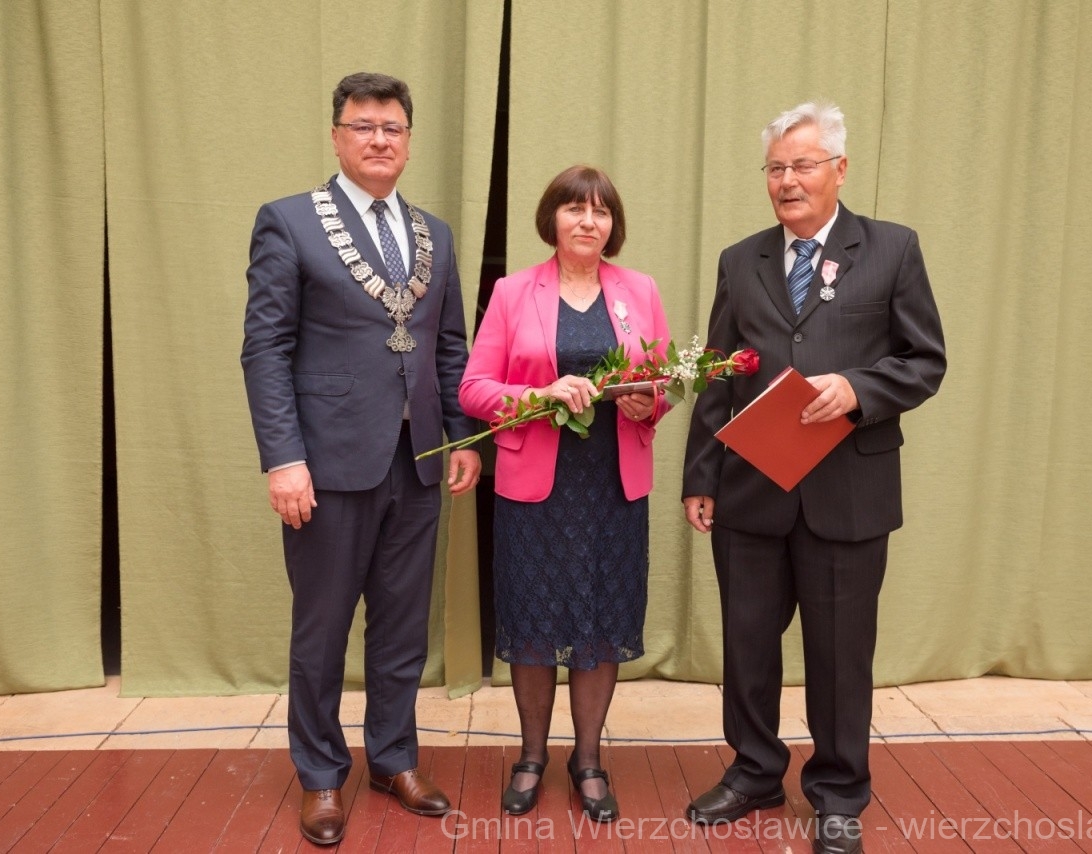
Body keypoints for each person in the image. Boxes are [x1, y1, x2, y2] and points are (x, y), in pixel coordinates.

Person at [681, 102, 945, 854]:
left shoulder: (893, 249)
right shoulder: (741, 260)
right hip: (750, 489)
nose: (787, 181)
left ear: (840, 169)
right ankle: (754, 772)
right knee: (748, 645)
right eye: (776, 168)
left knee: (840, 656)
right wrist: (701, 476)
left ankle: (837, 794)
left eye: (802, 165)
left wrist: (859, 389)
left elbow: (925, 360)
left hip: (848, 495)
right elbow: (720, 374)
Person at [241, 72, 481, 845]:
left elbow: (449, 346)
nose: (379, 139)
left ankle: (393, 758)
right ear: (337, 136)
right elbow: (265, 350)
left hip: (417, 460)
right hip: (326, 465)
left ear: (408, 140)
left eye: (392, 128)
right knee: (321, 630)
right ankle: (320, 775)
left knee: (403, 627)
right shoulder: (288, 222)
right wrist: (284, 458)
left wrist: (458, 438)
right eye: (363, 126)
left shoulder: (435, 234)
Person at [459, 166, 670, 823]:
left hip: (612, 487)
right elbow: (474, 388)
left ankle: (589, 759)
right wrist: (537, 394)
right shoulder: (512, 291)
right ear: (552, 218)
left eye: (601, 211)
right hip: (536, 492)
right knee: (534, 621)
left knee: (600, 621)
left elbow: (661, 384)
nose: (588, 221)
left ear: (613, 225)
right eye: (575, 209)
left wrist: (650, 402)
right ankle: (530, 757)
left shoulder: (640, 289)